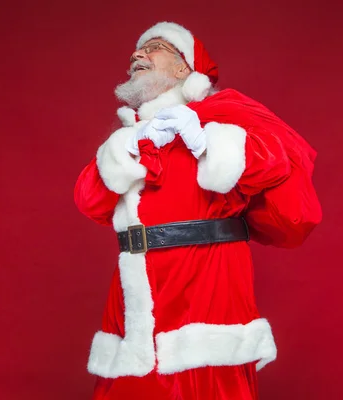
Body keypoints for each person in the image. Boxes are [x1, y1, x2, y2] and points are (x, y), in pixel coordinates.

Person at [73, 21, 322, 400]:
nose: (137, 55)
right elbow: (90, 201)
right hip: (134, 299)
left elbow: (279, 163)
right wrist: (130, 145)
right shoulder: (129, 138)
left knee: (206, 387)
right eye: (135, 51)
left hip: (206, 287)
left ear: (183, 68)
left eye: (153, 47)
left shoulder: (223, 117)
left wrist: (206, 141)